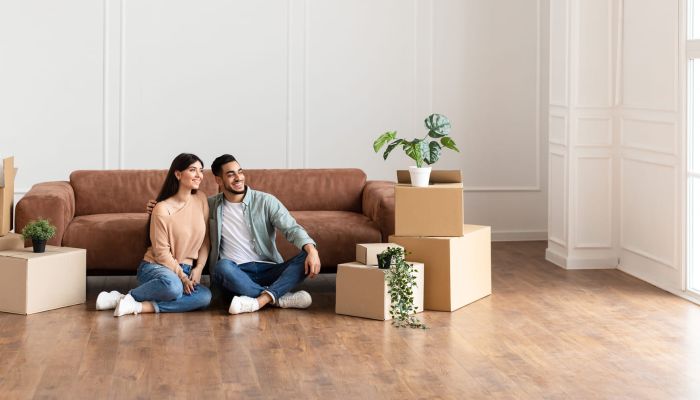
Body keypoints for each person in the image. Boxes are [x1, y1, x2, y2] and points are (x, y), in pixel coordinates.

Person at [148, 154, 322, 315]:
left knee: (307, 253)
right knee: (222, 266)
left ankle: (261, 299)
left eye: (240, 172)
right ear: (219, 180)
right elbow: (182, 209)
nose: (238, 178)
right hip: (234, 272)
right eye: (231, 174)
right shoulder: (209, 205)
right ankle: (278, 296)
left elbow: (292, 228)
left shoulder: (265, 201)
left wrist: (311, 249)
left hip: (269, 267)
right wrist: (157, 206)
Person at [96, 153, 212, 317]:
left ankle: (136, 305)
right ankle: (128, 296)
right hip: (157, 267)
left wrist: (199, 268)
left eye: (201, 170)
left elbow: (206, 239)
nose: (199, 175)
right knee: (174, 287)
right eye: (193, 170)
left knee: (205, 297)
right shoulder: (162, 208)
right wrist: (182, 278)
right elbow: (161, 253)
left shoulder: (201, 199)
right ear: (178, 174)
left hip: (186, 269)